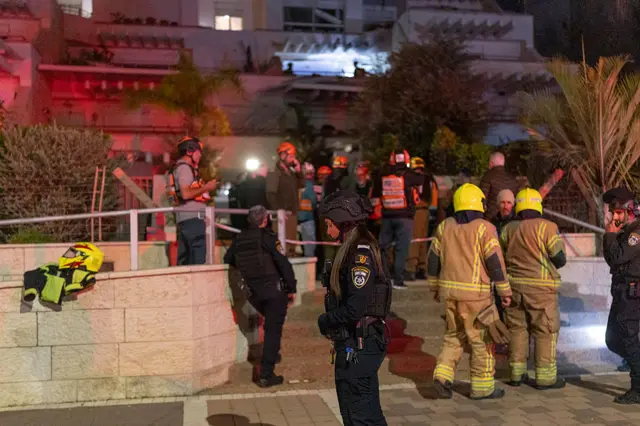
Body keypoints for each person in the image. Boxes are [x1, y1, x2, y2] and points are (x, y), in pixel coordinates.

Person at [428, 183, 511, 400]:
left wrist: (434, 287)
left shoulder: (444, 226)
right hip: (476, 297)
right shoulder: (485, 228)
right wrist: (504, 292)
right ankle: (483, 388)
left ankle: (442, 376)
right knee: (481, 341)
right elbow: (495, 263)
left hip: (449, 294)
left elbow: (432, 261)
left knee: (453, 338)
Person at [317, 190, 391, 426]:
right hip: (357, 343)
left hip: (360, 345)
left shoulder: (360, 253)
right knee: (364, 414)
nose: (328, 231)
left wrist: (325, 321)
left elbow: (354, 308)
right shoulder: (356, 247)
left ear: (343, 220)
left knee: (360, 416)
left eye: (329, 225)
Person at [224, 205, 297, 388]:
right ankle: (266, 374)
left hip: (253, 293)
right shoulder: (268, 238)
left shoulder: (239, 239)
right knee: (273, 331)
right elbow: (283, 263)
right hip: (273, 291)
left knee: (270, 326)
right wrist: (292, 287)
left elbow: (228, 259)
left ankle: (271, 355)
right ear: (265, 220)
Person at [500, 188, 567, 389]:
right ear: (538, 206)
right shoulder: (547, 227)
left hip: (514, 289)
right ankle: (546, 378)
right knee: (545, 331)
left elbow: (500, 256)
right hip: (541, 291)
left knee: (517, 330)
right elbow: (559, 259)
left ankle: (516, 374)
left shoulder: (508, 229)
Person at [602, 186, 640, 404]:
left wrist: (609, 235)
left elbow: (617, 258)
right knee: (612, 340)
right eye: (612, 212)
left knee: (628, 338)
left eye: (618, 213)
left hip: (632, 292)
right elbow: (611, 258)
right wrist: (611, 236)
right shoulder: (623, 232)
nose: (614, 217)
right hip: (621, 292)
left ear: (629, 209)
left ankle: (638, 387)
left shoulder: (636, 232)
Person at [374, 149, 423, 290]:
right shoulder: (409, 175)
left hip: (387, 217)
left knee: (383, 248)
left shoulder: (382, 176)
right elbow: (421, 179)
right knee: (401, 250)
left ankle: (384, 278)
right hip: (404, 218)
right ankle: (398, 280)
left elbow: (376, 192)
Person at [171, 136, 218, 265]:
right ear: (189, 151)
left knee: (187, 261)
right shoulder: (184, 168)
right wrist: (207, 187)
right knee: (198, 260)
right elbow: (186, 194)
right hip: (192, 220)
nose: (200, 156)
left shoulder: (183, 168)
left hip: (187, 220)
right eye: (198, 152)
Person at [266, 142, 304, 256]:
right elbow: (270, 194)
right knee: (279, 246)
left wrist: (299, 172)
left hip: (291, 213)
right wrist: (279, 211)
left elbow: (302, 185)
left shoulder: (291, 173)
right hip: (282, 215)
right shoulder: (274, 172)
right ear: (283, 156)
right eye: (291, 156)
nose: (294, 159)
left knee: (291, 244)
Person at [405, 156, 437, 281]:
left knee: (414, 240)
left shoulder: (414, 179)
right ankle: (422, 268)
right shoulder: (429, 178)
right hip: (427, 211)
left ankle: (410, 269)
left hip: (417, 211)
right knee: (422, 241)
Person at [479, 152, 520, 221]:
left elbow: (482, 199)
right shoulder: (512, 178)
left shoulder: (487, 177)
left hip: (490, 219)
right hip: (509, 218)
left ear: (491, 163)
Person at [298, 162, 318, 257]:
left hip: (296, 219)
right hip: (308, 219)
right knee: (309, 248)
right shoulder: (308, 184)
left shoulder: (297, 184)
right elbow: (313, 200)